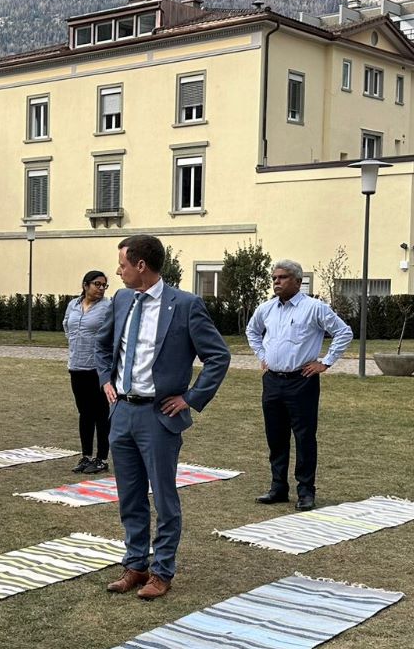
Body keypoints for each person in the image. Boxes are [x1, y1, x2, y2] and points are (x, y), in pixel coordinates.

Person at [94, 234, 231, 600]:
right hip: (122, 412)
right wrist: (105, 378)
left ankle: (162, 571)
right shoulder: (122, 298)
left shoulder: (185, 305)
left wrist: (190, 398)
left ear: (141, 265)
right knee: (129, 496)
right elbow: (102, 345)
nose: (118, 271)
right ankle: (135, 565)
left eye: (122, 264)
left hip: (159, 417)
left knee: (164, 498)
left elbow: (218, 356)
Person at [243, 259, 353, 511]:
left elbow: (343, 332)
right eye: (274, 278)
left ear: (298, 281)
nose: (276, 282)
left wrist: (325, 362)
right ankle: (278, 487)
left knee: (304, 437)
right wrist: (262, 356)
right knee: (276, 436)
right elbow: (252, 331)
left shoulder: (314, 308)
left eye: (282, 278)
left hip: (301, 382)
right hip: (272, 381)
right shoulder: (267, 309)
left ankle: (306, 491)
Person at [63, 269, 113, 473]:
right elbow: (67, 326)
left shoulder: (108, 307)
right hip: (76, 366)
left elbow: (113, 334)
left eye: (104, 285)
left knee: (101, 414)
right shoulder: (73, 305)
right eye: (97, 284)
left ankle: (101, 458)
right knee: (84, 413)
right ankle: (85, 456)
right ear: (86, 285)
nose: (101, 288)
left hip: (98, 368)